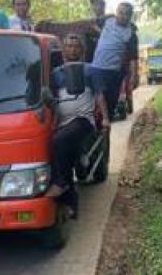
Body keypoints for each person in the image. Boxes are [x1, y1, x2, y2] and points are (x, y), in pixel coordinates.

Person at [46, 34, 110, 217]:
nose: (72, 49)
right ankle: (71, 201)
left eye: (76, 46)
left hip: (83, 120)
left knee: (60, 141)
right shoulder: (55, 74)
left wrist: (105, 118)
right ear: (63, 50)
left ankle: (61, 183)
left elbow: (99, 95)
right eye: (68, 46)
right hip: (62, 123)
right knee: (63, 152)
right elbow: (52, 99)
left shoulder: (91, 71)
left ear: (82, 50)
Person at [90, 2, 139, 119]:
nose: (122, 16)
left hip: (114, 72)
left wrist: (133, 76)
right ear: (116, 12)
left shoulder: (131, 35)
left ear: (130, 16)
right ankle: (100, 121)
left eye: (126, 14)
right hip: (97, 67)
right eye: (120, 12)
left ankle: (107, 121)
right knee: (98, 94)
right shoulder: (107, 21)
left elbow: (133, 58)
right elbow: (92, 22)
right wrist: (99, 32)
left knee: (111, 105)